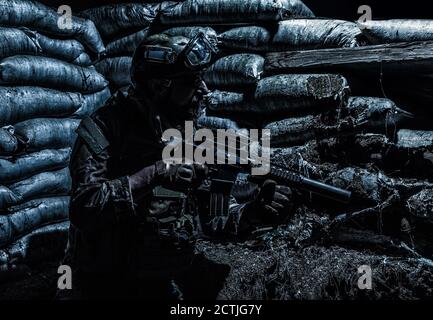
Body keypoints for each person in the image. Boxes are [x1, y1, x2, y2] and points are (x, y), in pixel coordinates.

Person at [57, 32, 292, 300]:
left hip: (156, 283)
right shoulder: (104, 128)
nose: (204, 90)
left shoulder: (190, 137)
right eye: (193, 81)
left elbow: (214, 220)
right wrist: (157, 173)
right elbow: (85, 207)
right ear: (161, 86)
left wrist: (252, 213)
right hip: (100, 287)